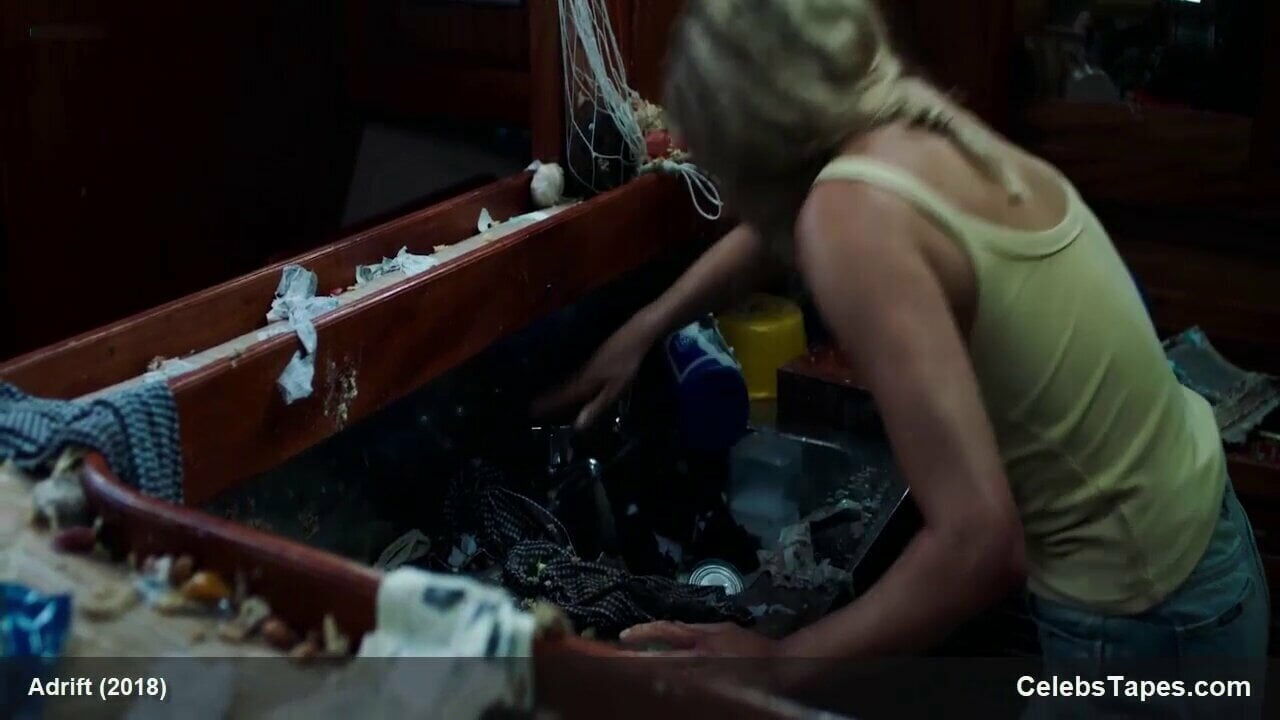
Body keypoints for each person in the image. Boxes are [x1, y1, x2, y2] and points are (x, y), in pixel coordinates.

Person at [535, 0, 1269, 701]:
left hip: (1145, 618)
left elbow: (980, 543)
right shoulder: (909, 124)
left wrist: (778, 665)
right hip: (1199, 548)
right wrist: (647, 327)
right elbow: (795, 220)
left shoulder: (851, 217)